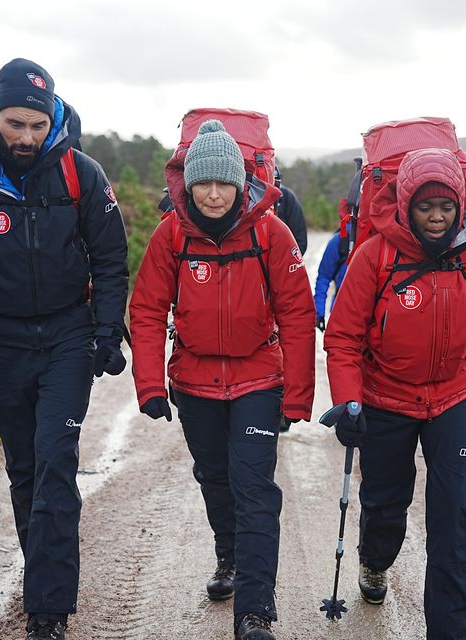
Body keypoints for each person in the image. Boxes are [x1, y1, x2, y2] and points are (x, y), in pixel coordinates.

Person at [0, 58, 129, 640]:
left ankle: (48, 612)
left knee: (55, 462)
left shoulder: (82, 173)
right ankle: (43, 582)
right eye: (16, 124)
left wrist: (107, 332)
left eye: (38, 124)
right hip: (4, 337)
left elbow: (111, 257)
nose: (28, 137)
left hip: (68, 335)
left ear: (52, 115)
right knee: (25, 470)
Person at [323, 147, 466, 639]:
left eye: (446, 206)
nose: (436, 216)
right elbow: (341, 336)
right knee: (385, 502)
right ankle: (375, 560)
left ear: (460, 205)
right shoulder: (376, 255)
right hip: (386, 397)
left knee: (455, 519)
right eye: (425, 206)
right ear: (406, 204)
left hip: (454, 398)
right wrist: (347, 399)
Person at [129, 120, 315, 640]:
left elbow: (298, 314)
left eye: (223, 183)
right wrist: (149, 384)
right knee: (215, 478)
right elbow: (146, 309)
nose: (213, 194)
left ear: (240, 183)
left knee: (254, 487)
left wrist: (297, 394)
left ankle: (255, 612)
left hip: (259, 378)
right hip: (193, 381)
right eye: (203, 183)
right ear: (187, 185)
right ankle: (229, 556)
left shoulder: (270, 234)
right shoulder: (170, 236)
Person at [313, 221, 350, 332]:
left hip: (340, 315)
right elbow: (324, 277)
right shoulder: (341, 240)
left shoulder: (339, 240)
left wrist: (320, 313)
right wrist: (319, 313)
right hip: (343, 315)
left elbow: (323, 278)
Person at [273, 167, 307, 255]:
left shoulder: (287, 197)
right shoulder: (247, 194)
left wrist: (288, 264)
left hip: (282, 262)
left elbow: (300, 239)